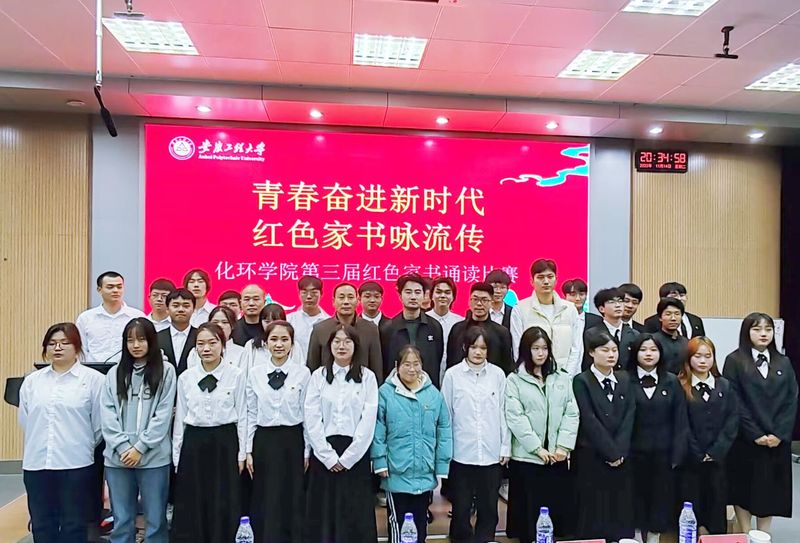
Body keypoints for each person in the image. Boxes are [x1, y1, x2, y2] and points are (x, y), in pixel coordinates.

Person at [19, 323, 104, 543]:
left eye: (65, 343)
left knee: (74, 524)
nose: (57, 348)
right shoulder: (32, 381)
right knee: (41, 523)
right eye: (52, 343)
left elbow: (98, 426)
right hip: (38, 463)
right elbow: (27, 420)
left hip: (75, 463)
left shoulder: (94, 380)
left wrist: (80, 445)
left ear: (77, 347)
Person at [101, 318, 177, 543]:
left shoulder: (166, 371)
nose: (135, 345)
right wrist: (123, 447)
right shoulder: (114, 373)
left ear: (152, 341)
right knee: (122, 520)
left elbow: (163, 415)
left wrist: (140, 448)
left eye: (141, 339)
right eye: (130, 340)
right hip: (118, 458)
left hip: (154, 458)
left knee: (155, 520)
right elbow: (107, 414)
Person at [723, 313, 798, 536]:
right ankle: (746, 534)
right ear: (747, 332)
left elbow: (792, 399)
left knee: (770, 491)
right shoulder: (734, 360)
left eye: (768, 329)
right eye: (757, 329)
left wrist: (779, 433)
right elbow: (734, 399)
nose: (763, 334)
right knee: (743, 487)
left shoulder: (783, 361)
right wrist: (754, 433)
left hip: (777, 439)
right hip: (746, 439)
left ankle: (764, 535)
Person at [171, 323, 247, 543]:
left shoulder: (236, 375)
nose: (206, 348)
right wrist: (177, 455)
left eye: (212, 343)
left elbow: (243, 414)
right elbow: (180, 419)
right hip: (194, 443)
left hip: (225, 442)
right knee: (194, 499)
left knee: (223, 498)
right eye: (201, 344)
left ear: (223, 345)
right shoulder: (186, 377)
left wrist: (242, 453)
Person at [304, 324, 379, 543]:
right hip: (324, 454)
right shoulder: (318, 376)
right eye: (336, 341)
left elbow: (368, 419)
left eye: (347, 341)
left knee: (355, 512)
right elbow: (312, 417)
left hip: (355, 455)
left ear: (356, 346)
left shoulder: (368, 377)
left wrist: (349, 458)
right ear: (330, 346)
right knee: (323, 513)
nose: (342, 346)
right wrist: (326, 455)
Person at [505, 326, 579, 542]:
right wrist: (537, 449)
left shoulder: (562, 377)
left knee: (554, 510)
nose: (541, 353)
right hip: (527, 458)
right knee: (529, 515)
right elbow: (516, 417)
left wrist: (563, 447)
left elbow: (571, 413)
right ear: (526, 350)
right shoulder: (514, 380)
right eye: (535, 348)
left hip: (556, 456)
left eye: (544, 348)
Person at [372, 346, 453, 543]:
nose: (412, 369)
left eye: (416, 364)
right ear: (397, 366)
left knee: (420, 522)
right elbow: (377, 430)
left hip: (424, 471)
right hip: (396, 472)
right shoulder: (385, 393)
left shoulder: (433, 394)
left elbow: (444, 429)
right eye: (407, 364)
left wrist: (442, 465)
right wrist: (380, 461)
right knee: (397, 522)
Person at [441, 327, 510, 543]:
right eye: (474, 347)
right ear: (465, 348)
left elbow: (504, 412)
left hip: (491, 452)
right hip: (461, 453)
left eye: (483, 348)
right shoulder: (452, 375)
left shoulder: (498, 375)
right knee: (461, 506)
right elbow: (446, 415)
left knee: (488, 506)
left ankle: (485, 539)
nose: (478, 352)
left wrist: (505, 446)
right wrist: (446, 451)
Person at [246, 320, 310, 543]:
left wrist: (307, 451)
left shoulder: (303, 373)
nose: (279, 344)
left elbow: (307, 414)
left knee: (292, 494)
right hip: (264, 441)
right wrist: (247, 450)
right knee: (265, 494)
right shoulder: (255, 373)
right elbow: (251, 412)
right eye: (274, 339)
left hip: (292, 440)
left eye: (284, 339)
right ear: (265, 343)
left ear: (292, 344)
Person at [572, 328, 636, 542]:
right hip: (593, 455)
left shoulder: (624, 379)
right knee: (594, 509)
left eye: (614, 350)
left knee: (620, 508)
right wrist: (610, 452)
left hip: (622, 457)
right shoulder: (581, 380)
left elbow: (629, 415)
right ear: (591, 352)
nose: (611, 355)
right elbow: (588, 419)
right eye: (604, 350)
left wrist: (620, 451)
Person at [628, 333, 687, 543]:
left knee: (660, 499)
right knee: (634, 498)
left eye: (653, 350)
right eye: (643, 350)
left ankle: (654, 538)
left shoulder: (671, 381)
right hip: (632, 454)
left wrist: (677, 455)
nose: (648, 354)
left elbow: (680, 420)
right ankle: (635, 537)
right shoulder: (624, 380)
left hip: (664, 454)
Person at [677, 336, 738, 536]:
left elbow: (732, 420)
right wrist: (697, 451)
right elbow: (681, 422)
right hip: (690, 459)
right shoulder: (680, 385)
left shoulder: (724, 385)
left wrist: (716, 450)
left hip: (718, 459)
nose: (703, 361)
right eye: (697, 356)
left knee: (716, 505)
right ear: (689, 358)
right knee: (691, 506)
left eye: (707, 356)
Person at [510, 259, 580, 371]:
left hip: (565, 375)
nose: (546, 281)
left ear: (556, 280)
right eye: (540, 277)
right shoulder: (520, 309)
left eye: (550, 277)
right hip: (532, 375)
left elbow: (577, 347)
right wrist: (529, 375)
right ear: (532, 281)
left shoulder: (570, 309)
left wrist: (567, 375)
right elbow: (518, 347)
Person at [306, 282, 383, 381]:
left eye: (350, 297)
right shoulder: (320, 329)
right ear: (333, 301)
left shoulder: (370, 329)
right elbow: (312, 366)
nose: (346, 302)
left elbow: (376, 367)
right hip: (327, 385)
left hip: (361, 385)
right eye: (341, 297)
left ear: (357, 301)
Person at [382, 273, 444, 387]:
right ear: (400, 296)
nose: (413, 297)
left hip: (427, 389)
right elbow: (385, 364)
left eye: (417, 292)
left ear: (424, 296)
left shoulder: (434, 326)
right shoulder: (388, 328)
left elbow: (437, 360)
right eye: (408, 292)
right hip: (397, 390)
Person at [76, 271, 145, 363]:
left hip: (128, 368)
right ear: (99, 290)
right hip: (94, 368)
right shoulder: (86, 318)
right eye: (110, 287)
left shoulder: (137, 316)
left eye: (119, 287)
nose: (115, 290)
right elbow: (81, 350)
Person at [446, 283, 514, 375]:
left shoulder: (501, 333)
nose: (479, 304)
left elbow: (507, 366)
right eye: (475, 299)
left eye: (484, 300)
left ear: (491, 303)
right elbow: (451, 363)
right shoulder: (457, 329)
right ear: (469, 301)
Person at [580, 287, 640, 374]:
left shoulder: (634, 334)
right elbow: (587, 362)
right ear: (602, 309)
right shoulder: (592, 334)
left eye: (620, 301)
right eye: (612, 302)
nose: (618, 305)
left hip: (627, 380)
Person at [426, 276, 464, 382]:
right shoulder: (423, 320)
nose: (443, 296)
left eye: (447, 292)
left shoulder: (460, 322)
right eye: (438, 292)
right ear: (431, 296)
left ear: (453, 297)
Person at [186, 305, 245, 370]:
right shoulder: (195, 352)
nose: (220, 325)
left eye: (225, 322)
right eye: (215, 322)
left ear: (233, 325)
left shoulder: (242, 352)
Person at [287, 276, 330, 361]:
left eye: (314, 292)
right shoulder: (289, 320)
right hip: (294, 367)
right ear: (299, 294)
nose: (309, 296)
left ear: (321, 294)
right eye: (304, 292)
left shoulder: (328, 322)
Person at [156, 288, 197, 376]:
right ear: (167, 309)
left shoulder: (200, 337)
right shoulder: (157, 337)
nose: (181, 309)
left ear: (194, 309)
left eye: (186, 306)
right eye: (175, 305)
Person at [652, 298, 689, 374]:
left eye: (677, 314)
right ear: (660, 317)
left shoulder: (687, 342)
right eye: (668, 314)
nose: (673, 318)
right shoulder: (653, 341)